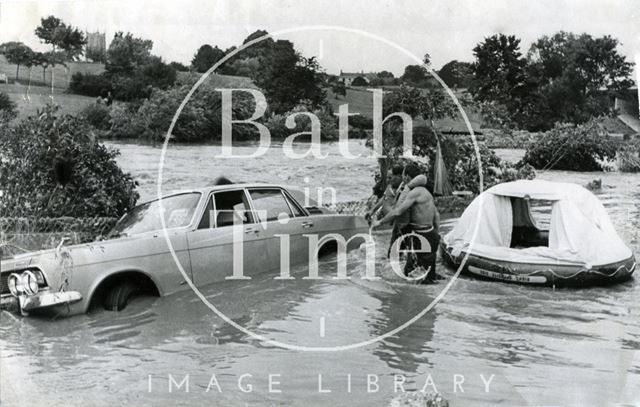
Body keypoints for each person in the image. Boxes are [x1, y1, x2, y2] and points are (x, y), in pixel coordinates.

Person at [373, 163, 441, 283]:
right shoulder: (426, 192)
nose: (403, 179)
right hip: (430, 234)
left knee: (412, 274)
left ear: (408, 178)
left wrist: (379, 222)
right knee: (428, 275)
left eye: (404, 176)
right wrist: (436, 234)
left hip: (421, 236)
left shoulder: (414, 193)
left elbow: (398, 212)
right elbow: (436, 215)